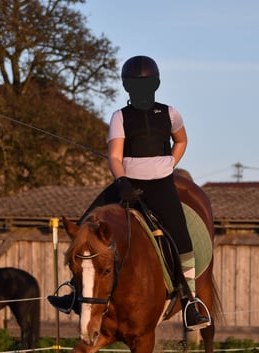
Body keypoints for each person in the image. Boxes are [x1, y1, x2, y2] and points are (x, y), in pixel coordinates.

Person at [48, 55, 211, 330]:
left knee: (181, 236)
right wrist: (121, 180)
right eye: (136, 85)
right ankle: (75, 294)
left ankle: (190, 300)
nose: (141, 90)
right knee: (84, 227)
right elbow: (115, 155)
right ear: (127, 87)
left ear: (156, 84)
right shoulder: (119, 117)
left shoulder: (170, 113)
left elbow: (181, 140)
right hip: (127, 184)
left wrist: (170, 162)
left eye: (146, 84)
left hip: (161, 186)